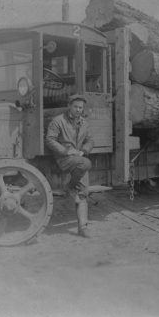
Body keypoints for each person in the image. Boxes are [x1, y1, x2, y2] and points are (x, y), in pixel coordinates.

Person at [45, 94, 94, 237]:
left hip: (79, 160)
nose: (78, 110)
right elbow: (50, 140)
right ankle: (70, 186)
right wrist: (67, 151)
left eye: (81, 107)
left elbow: (90, 140)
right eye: (76, 107)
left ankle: (83, 228)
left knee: (83, 193)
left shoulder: (84, 123)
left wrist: (84, 151)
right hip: (63, 159)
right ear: (69, 106)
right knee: (87, 163)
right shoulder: (58, 121)